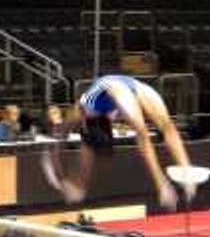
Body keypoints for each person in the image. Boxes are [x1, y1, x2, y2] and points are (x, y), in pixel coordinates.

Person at [41, 75, 195, 211]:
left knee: (153, 129)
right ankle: (77, 186)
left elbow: (143, 137)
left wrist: (163, 183)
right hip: (132, 86)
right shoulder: (97, 113)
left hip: (115, 88)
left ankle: (186, 171)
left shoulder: (83, 109)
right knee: (165, 126)